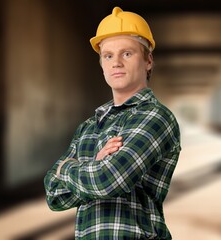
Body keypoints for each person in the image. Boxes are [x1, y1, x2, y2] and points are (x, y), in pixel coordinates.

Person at [44, 6, 181, 239]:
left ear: (148, 61)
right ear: (102, 64)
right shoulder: (88, 127)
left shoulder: (157, 118)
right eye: (108, 55)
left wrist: (65, 167)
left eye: (127, 53)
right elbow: (54, 195)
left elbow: (110, 180)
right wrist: (95, 166)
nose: (116, 62)